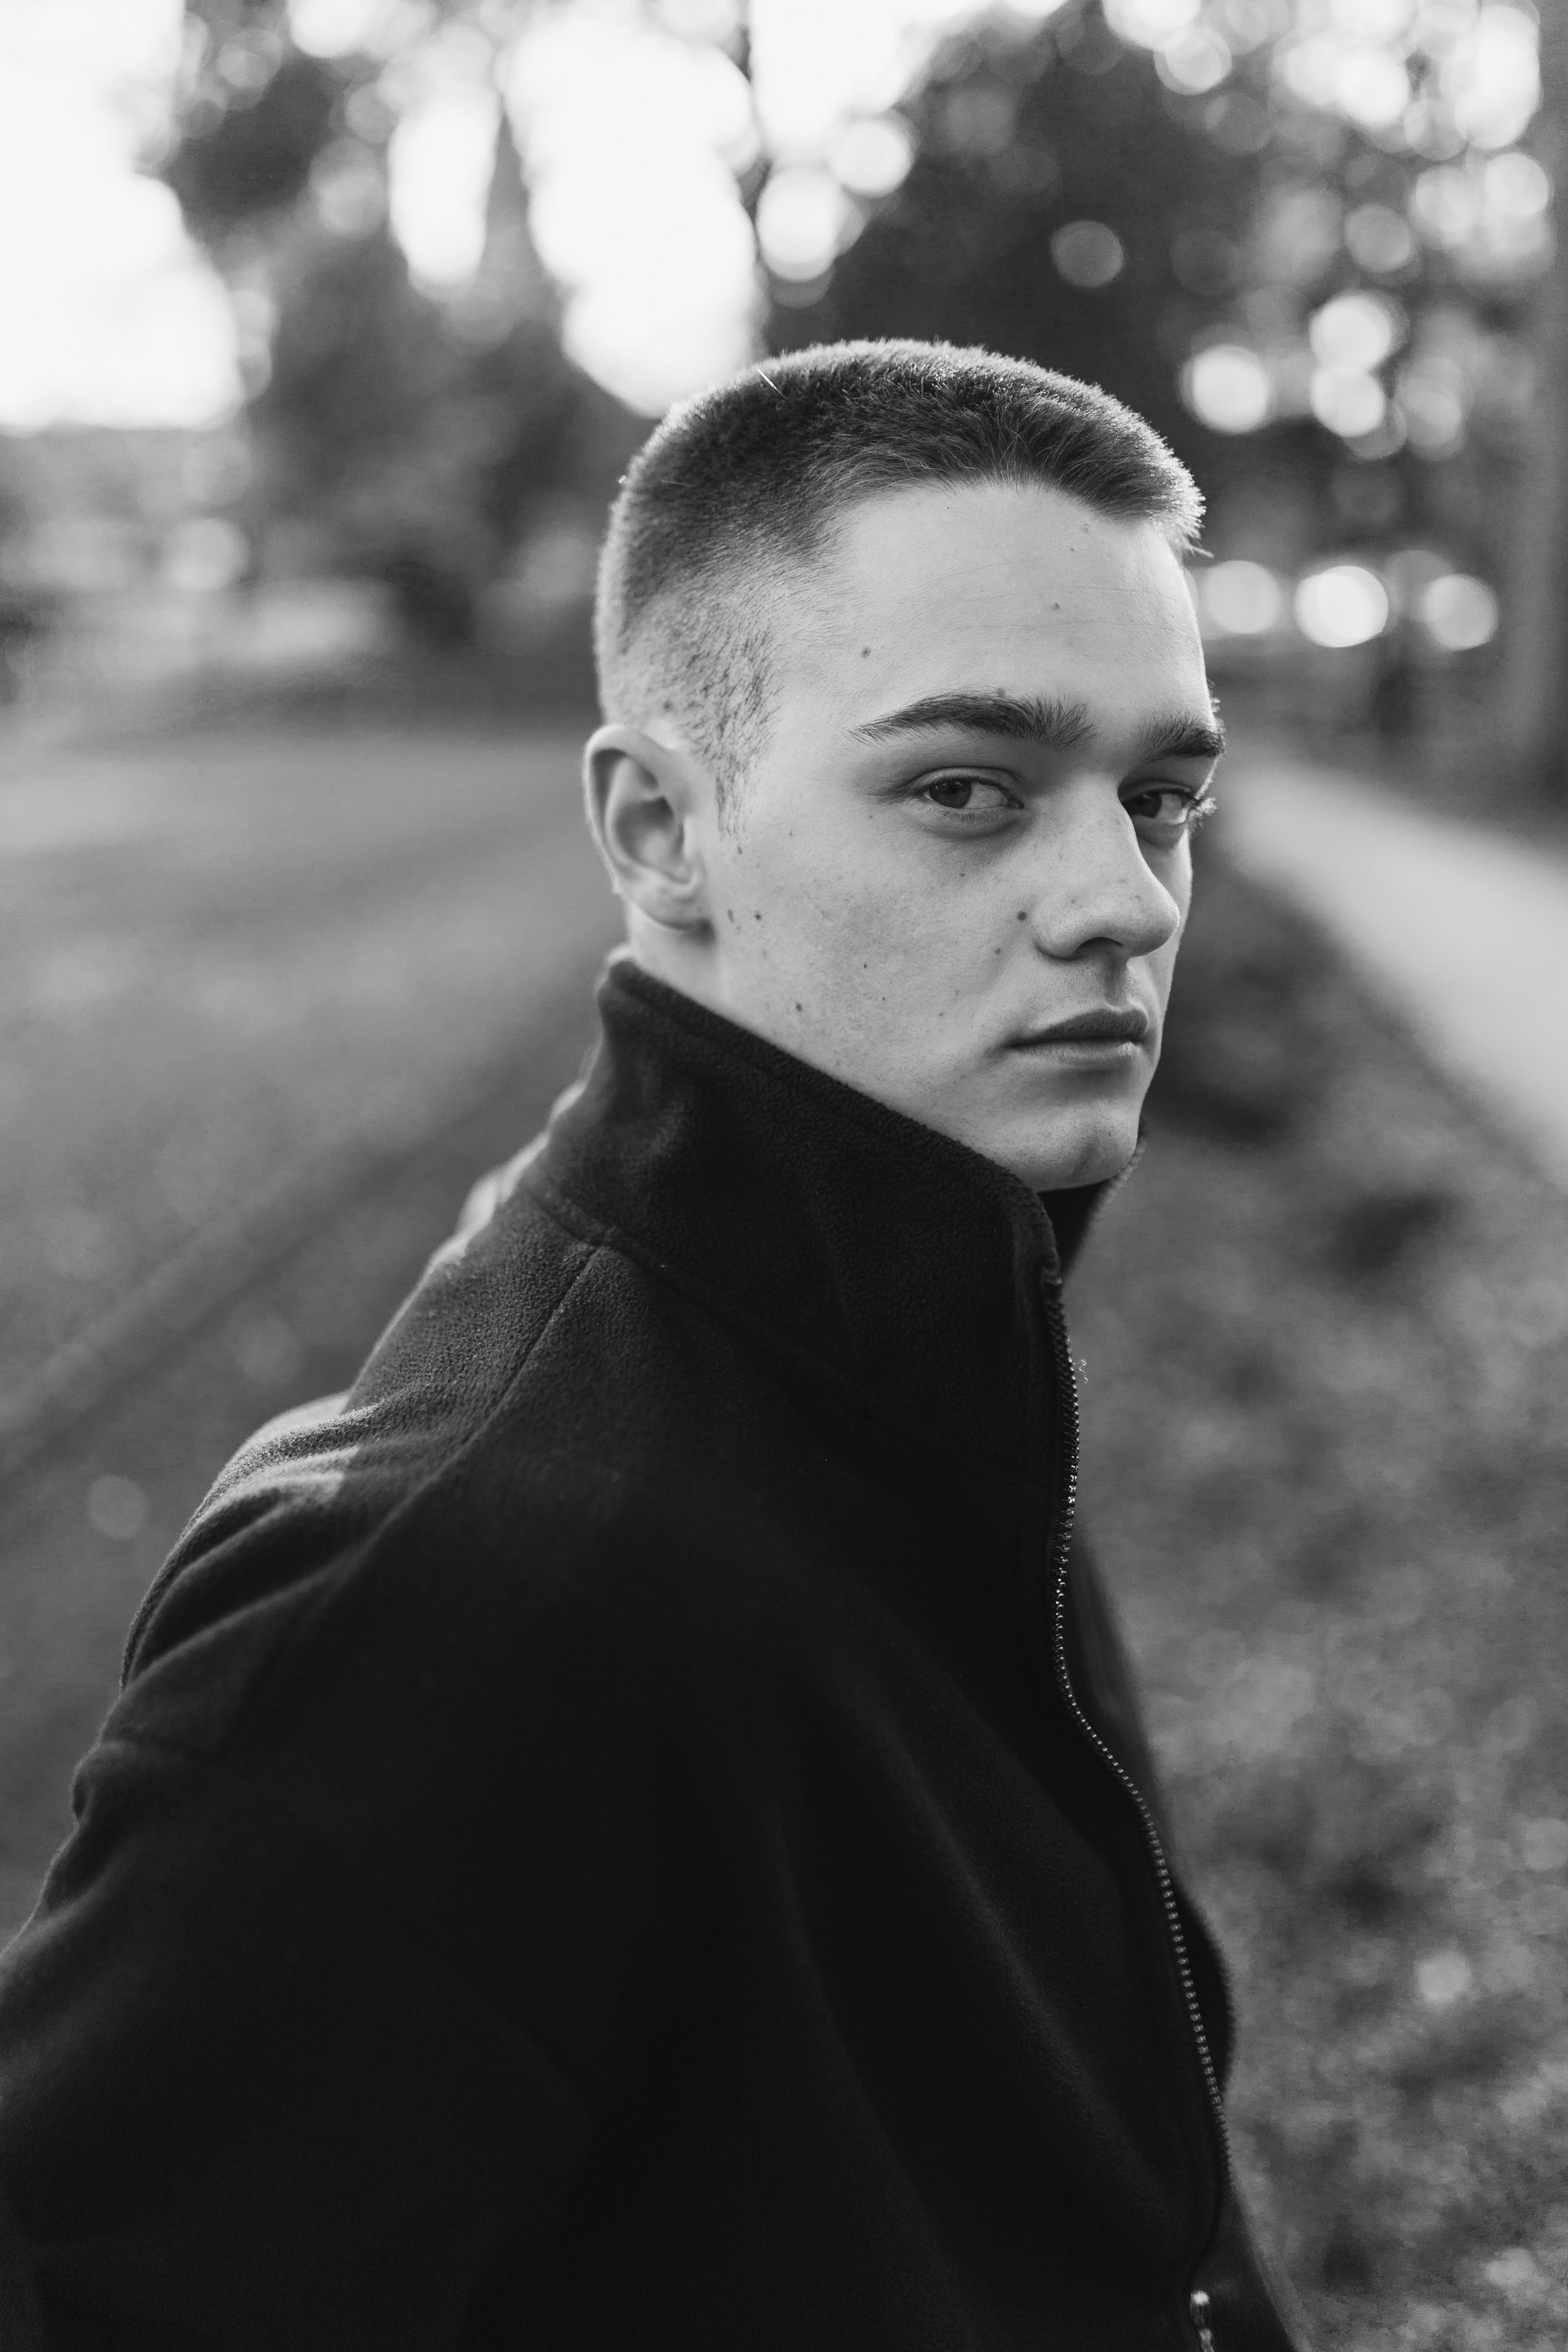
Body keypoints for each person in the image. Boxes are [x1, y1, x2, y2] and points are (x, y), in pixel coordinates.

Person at [0, 341, 1303, 2350]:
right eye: (969, 791)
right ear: (659, 831)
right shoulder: (440, 1604)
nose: (1123, 900)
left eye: (1161, 795)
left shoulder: (923, 1355)